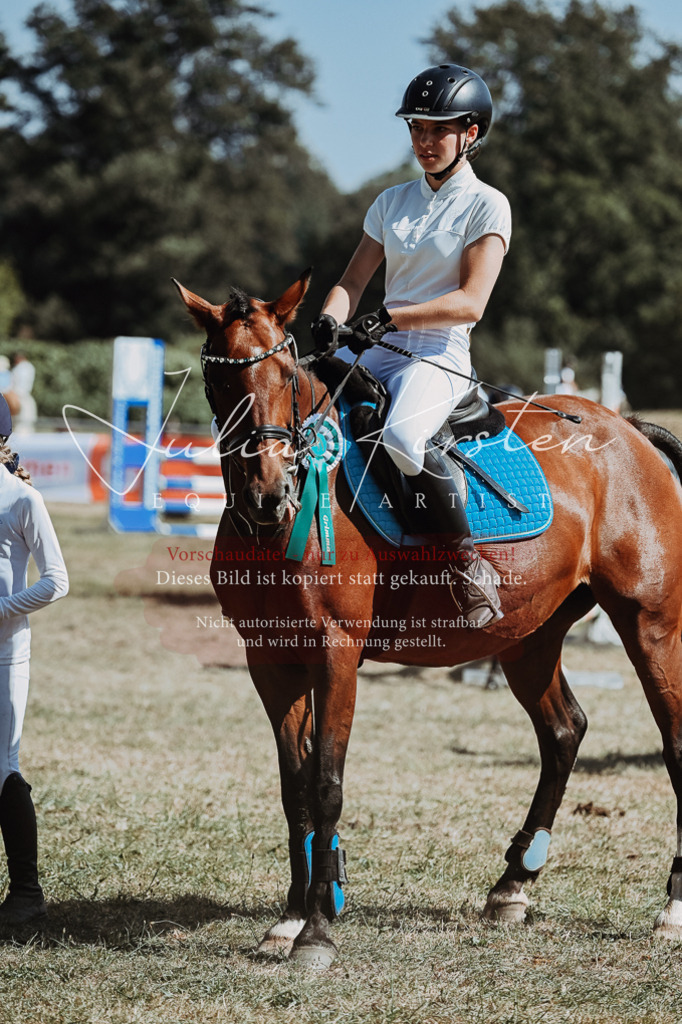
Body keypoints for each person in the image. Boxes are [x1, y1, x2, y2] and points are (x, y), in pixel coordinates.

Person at [311, 63, 512, 627]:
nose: (424, 141)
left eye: (438, 130)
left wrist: (389, 316)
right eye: (417, 128)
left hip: (438, 352)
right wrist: (329, 318)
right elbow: (352, 282)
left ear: (470, 133)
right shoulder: (391, 201)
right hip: (378, 342)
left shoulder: (488, 204)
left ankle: (466, 564)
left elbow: (471, 302)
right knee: (299, 403)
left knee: (402, 437)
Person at [0, 394, 68, 926]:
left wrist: (1, 609)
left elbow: (56, 581)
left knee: (2, 767)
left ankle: (26, 893)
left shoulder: (22, 499)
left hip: (5, 654)